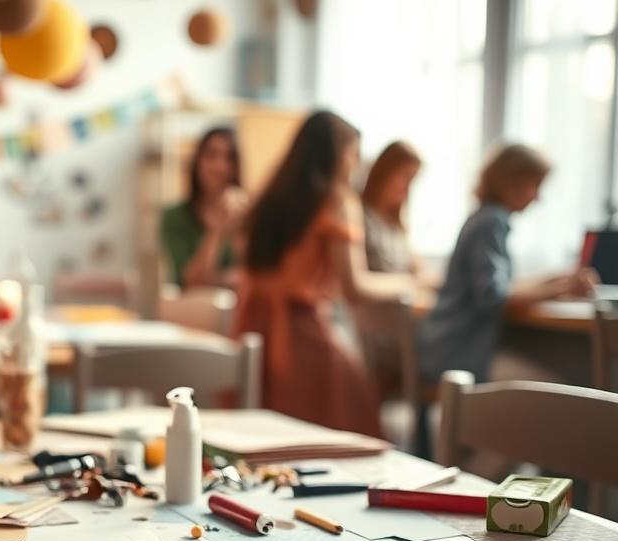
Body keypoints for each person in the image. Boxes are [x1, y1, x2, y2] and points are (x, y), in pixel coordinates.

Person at [236, 111, 416, 437]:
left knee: (265, 438)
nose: (356, 164)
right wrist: (407, 281)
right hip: (301, 335)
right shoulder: (336, 200)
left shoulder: (271, 198)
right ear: (335, 155)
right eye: (353, 154)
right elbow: (354, 286)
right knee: (356, 423)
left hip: (253, 326)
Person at [418, 144, 598, 384]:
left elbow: (503, 285)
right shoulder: (491, 222)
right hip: (460, 355)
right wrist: (561, 289)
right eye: (535, 186)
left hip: (447, 347)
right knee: (565, 378)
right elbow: (493, 297)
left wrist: (560, 278)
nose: (537, 197)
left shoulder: (483, 217)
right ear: (512, 183)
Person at [159, 127, 247, 288]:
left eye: (229, 158)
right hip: (191, 310)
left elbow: (257, 276)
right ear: (197, 161)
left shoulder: (248, 214)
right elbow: (192, 282)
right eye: (211, 155)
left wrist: (240, 226)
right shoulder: (174, 217)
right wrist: (217, 230)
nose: (220, 166)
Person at [361, 141, 437, 286]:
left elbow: (419, 269)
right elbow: (359, 281)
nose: (408, 188)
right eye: (405, 177)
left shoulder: (398, 222)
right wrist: (411, 282)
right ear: (386, 171)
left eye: (413, 180)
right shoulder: (361, 217)